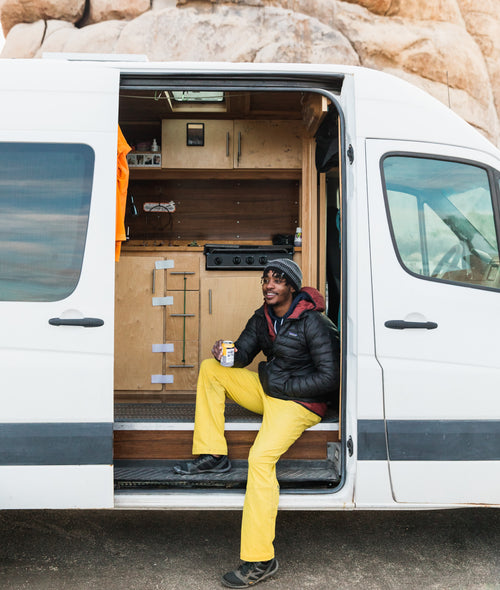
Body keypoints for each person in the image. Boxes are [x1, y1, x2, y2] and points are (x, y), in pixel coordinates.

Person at [174, 258, 339, 588]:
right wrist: (226, 352)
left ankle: (260, 558)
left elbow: (330, 378)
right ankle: (213, 454)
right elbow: (243, 355)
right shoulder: (262, 318)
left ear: (291, 287)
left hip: (300, 403)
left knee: (260, 459)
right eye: (266, 279)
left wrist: (286, 388)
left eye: (277, 280)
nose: (269, 285)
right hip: (270, 391)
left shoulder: (313, 322)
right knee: (211, 370)